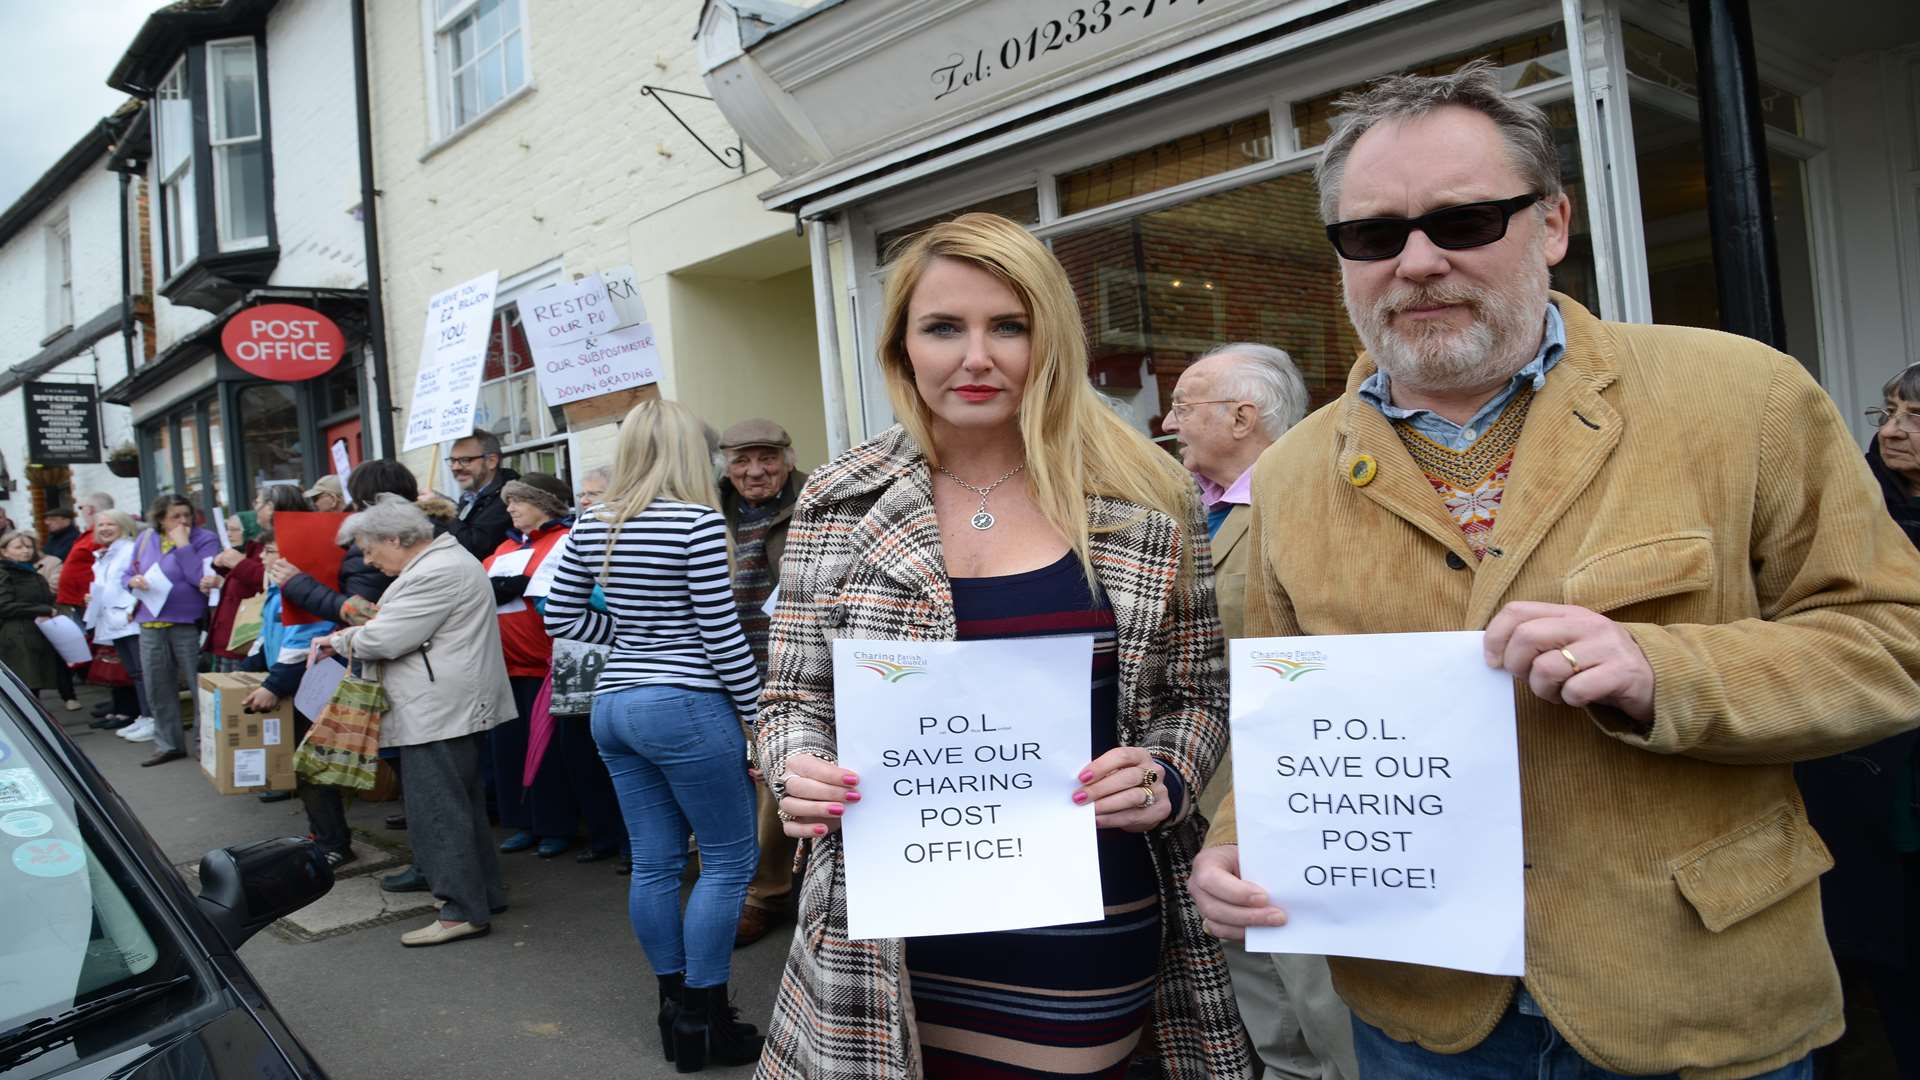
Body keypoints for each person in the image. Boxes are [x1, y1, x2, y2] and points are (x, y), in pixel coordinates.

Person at [1187, 62, 1920, 1079]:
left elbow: (1894, 640)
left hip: (1690, 988)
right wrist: (1238, 840)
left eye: (1465, 221)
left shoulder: (1743, 397)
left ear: (1555, 223)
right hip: (1421, 1011)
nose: (1417, 262)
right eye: (1375, 235)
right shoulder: (1298, 469)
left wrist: (1669, 672)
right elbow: (1280, 706)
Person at [756, 213, 1247, 1079]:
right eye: (944, 327)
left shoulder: (1144, 494)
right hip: (886, 944)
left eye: (1007, 326)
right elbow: (790, 700)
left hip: (1084, 932)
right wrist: (796, 766)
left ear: (1049, 339)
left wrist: (1164, 772)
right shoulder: (841, 495)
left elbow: (1199, 695)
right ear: (903, 346)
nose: (975, 356)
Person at [543, 399, 765, 1071]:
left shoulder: (593, 522)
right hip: (685, 705)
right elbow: (721, 635)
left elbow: (559, 615)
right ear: (692, 454)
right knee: (727, 862)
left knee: (655, 863)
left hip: (614, 705)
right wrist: (758, 713)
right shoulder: (697, 522)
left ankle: (674, 1011)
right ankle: (705, 1018)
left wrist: (632, 642)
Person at [1163, 344, 1352, 1080]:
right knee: (1269, 1019)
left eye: (1185, 404)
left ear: (1242, 416)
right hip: (1207, 804)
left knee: (1326, 1005)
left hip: (1296, 793)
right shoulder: (1187, 510)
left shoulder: (1314, 496)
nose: (1170, 419)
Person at [1789, 368, 1920, 1078]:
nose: (1894, 431)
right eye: (1890, 411)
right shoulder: (1849, 516)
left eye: (1917, 418)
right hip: (1860, 778)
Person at [321, 500, 515, 947]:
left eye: (370, 550)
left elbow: (386, 637)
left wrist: (341, 638)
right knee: (458, 805)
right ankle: (481, 895)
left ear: (395, 539)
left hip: (436, 707)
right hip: (445, 703)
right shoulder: (443, 562)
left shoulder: (435, 570)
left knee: (437, 812)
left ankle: (460, 910)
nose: (368, 560)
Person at [275, 462, 428, 880]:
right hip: (391, 663)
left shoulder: (380, 552)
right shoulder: (423, 535)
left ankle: (335, 844)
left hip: (367, 661)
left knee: (322, 750)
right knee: (412, 767)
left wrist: (296, 582)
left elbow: (361, 613)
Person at [484, 471, 624, 861]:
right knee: (510, 749)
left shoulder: (565, 539)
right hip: (509, 665)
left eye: (518, 501)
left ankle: (557, 826)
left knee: (554, 756)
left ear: (543, 503)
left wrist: (525, 581)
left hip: (554, 665)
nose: (509, 508)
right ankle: (524, 822)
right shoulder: (503, 548)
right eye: (507, 501)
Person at [710, 418, 810, 949]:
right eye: (741, 461)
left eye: (767, 458)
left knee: (774, 776)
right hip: (720, 660)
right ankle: (724, 881)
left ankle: (764, 894)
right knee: (724, 771)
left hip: (787, 659)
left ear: (788, 459)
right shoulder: (707, 509)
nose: (755, 471)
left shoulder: (816, 497)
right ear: (725, 467)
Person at [238, 530, 356, 867]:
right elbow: (267, 638)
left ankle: (335, 842)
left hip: (311, 686)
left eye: (271, 551)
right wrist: (247, 669)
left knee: (314, 767)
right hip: (294, 685)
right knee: (304, 770)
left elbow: (304, 643)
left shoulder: (298, 593)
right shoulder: (276, 592)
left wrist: (273, 686)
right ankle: (321, 834)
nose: (262, 557)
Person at [124, 495, 221, 768]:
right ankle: (168, 744)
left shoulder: (205, 539)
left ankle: (206, 745)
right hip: (150, 621)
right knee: (158, 686)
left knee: (198, 685)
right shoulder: (145, 539)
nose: (183, 521)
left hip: (188, 622)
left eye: (186, 515)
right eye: (175, 516)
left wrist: (183, 545)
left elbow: (198, 578)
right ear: (160, 519)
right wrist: (132, 580)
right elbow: (127, 574)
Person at [81, 511, 148, 733]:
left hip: (129, 618)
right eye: (101, 525)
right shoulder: (105, 553)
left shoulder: (130, 549)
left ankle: (150, 717)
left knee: (141, 672)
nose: (105, 528)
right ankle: (143, 715)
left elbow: (137, 580)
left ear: (124, 526)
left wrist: (132, 607)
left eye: (111, 524)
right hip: (112, 619)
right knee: (134, 672)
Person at [56, 493, 115, 715]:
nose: (80, 512)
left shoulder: (97, 536)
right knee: (101, 650)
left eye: (81, 507)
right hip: (81, 601)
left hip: (91, 602)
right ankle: (115, 700)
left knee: (106, 651)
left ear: (90, 509)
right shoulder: (89, 534)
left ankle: (121, 703)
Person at [437, 430, 519, 560]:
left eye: (465, 460)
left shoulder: (510, 498)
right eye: (452, 461)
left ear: (491, 461)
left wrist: (443, 510)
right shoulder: (468, 499)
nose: (455, 467)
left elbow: (475, 548)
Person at [0, 531, 60, 703]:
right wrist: (43, 609)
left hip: (35, 632)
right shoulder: (5, 573)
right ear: (4, 551)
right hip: (16, 635)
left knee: (34, 686)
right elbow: (3, 606)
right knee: (25, 685)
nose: (25, 551)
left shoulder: (32, 572)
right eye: (18, 547)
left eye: (28, 546)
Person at [205, 510, 266, 673]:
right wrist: (221, 567)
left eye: (234, 530)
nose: (229, 534)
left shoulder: (260, 555)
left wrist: (237, 564)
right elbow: (239, 585)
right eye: (227, 529)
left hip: (241, 641)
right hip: (227, 640)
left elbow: (260, 583)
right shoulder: (244, 555)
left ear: (249, 529)